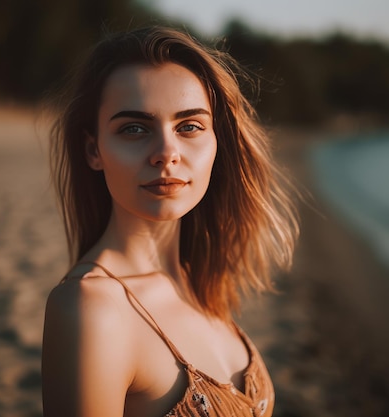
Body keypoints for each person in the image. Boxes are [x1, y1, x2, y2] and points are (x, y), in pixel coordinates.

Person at [42, 26, 299, 417]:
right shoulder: (91, 308)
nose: (166, 152)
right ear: (94, 150)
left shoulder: (199, 279)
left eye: (189, 126)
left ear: (216, 141)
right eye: (134, 128)